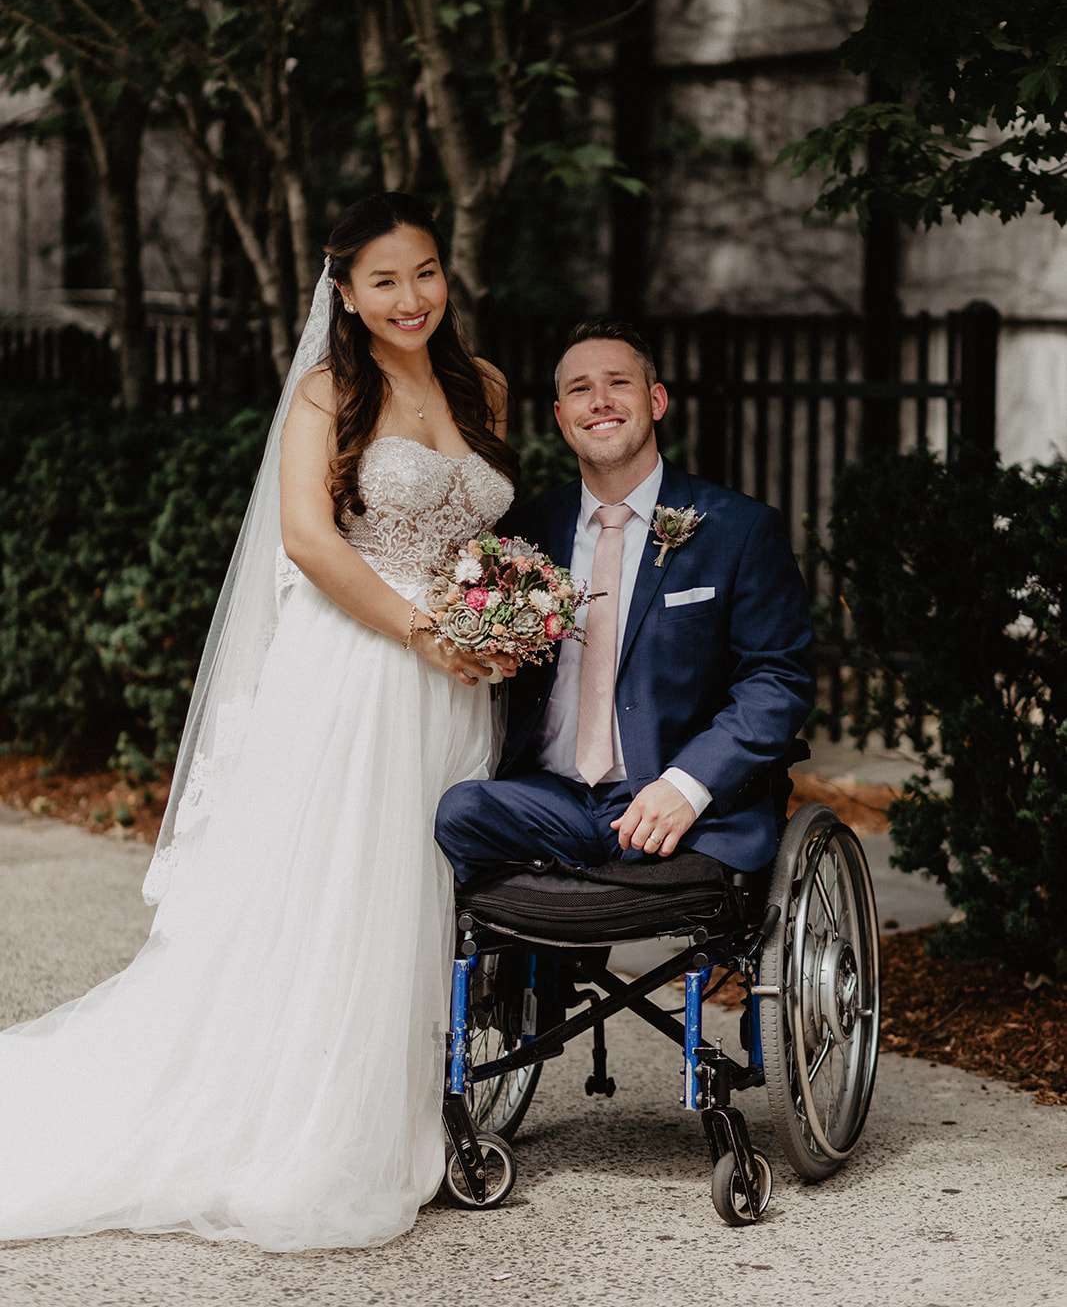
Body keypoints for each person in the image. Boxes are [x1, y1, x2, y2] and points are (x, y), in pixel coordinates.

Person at [0, 193, 518, 1253]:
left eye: (423, 272)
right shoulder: (330, 391)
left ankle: (411, 1098)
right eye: (383, 280)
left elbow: (480, 543)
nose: (409, 297)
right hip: (361, 667)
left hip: (457, 677)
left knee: (423, 886)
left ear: (445, 274)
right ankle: (319, 1123)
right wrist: (421, 631)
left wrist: (500, 621)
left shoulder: (486, 387)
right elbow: (310, 541)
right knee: (347, 885)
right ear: (345, 293)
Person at [435, 320, 815, 885]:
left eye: (619, 382)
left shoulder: (739, 529)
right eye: (580, 389)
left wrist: (688, 785)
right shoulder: (525, 535)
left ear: (656, 401)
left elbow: (778, 679)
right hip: (551, 804)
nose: (600, 401)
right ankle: (569, 933)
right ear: (561, 416)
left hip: (677, 808)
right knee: (460, 811)